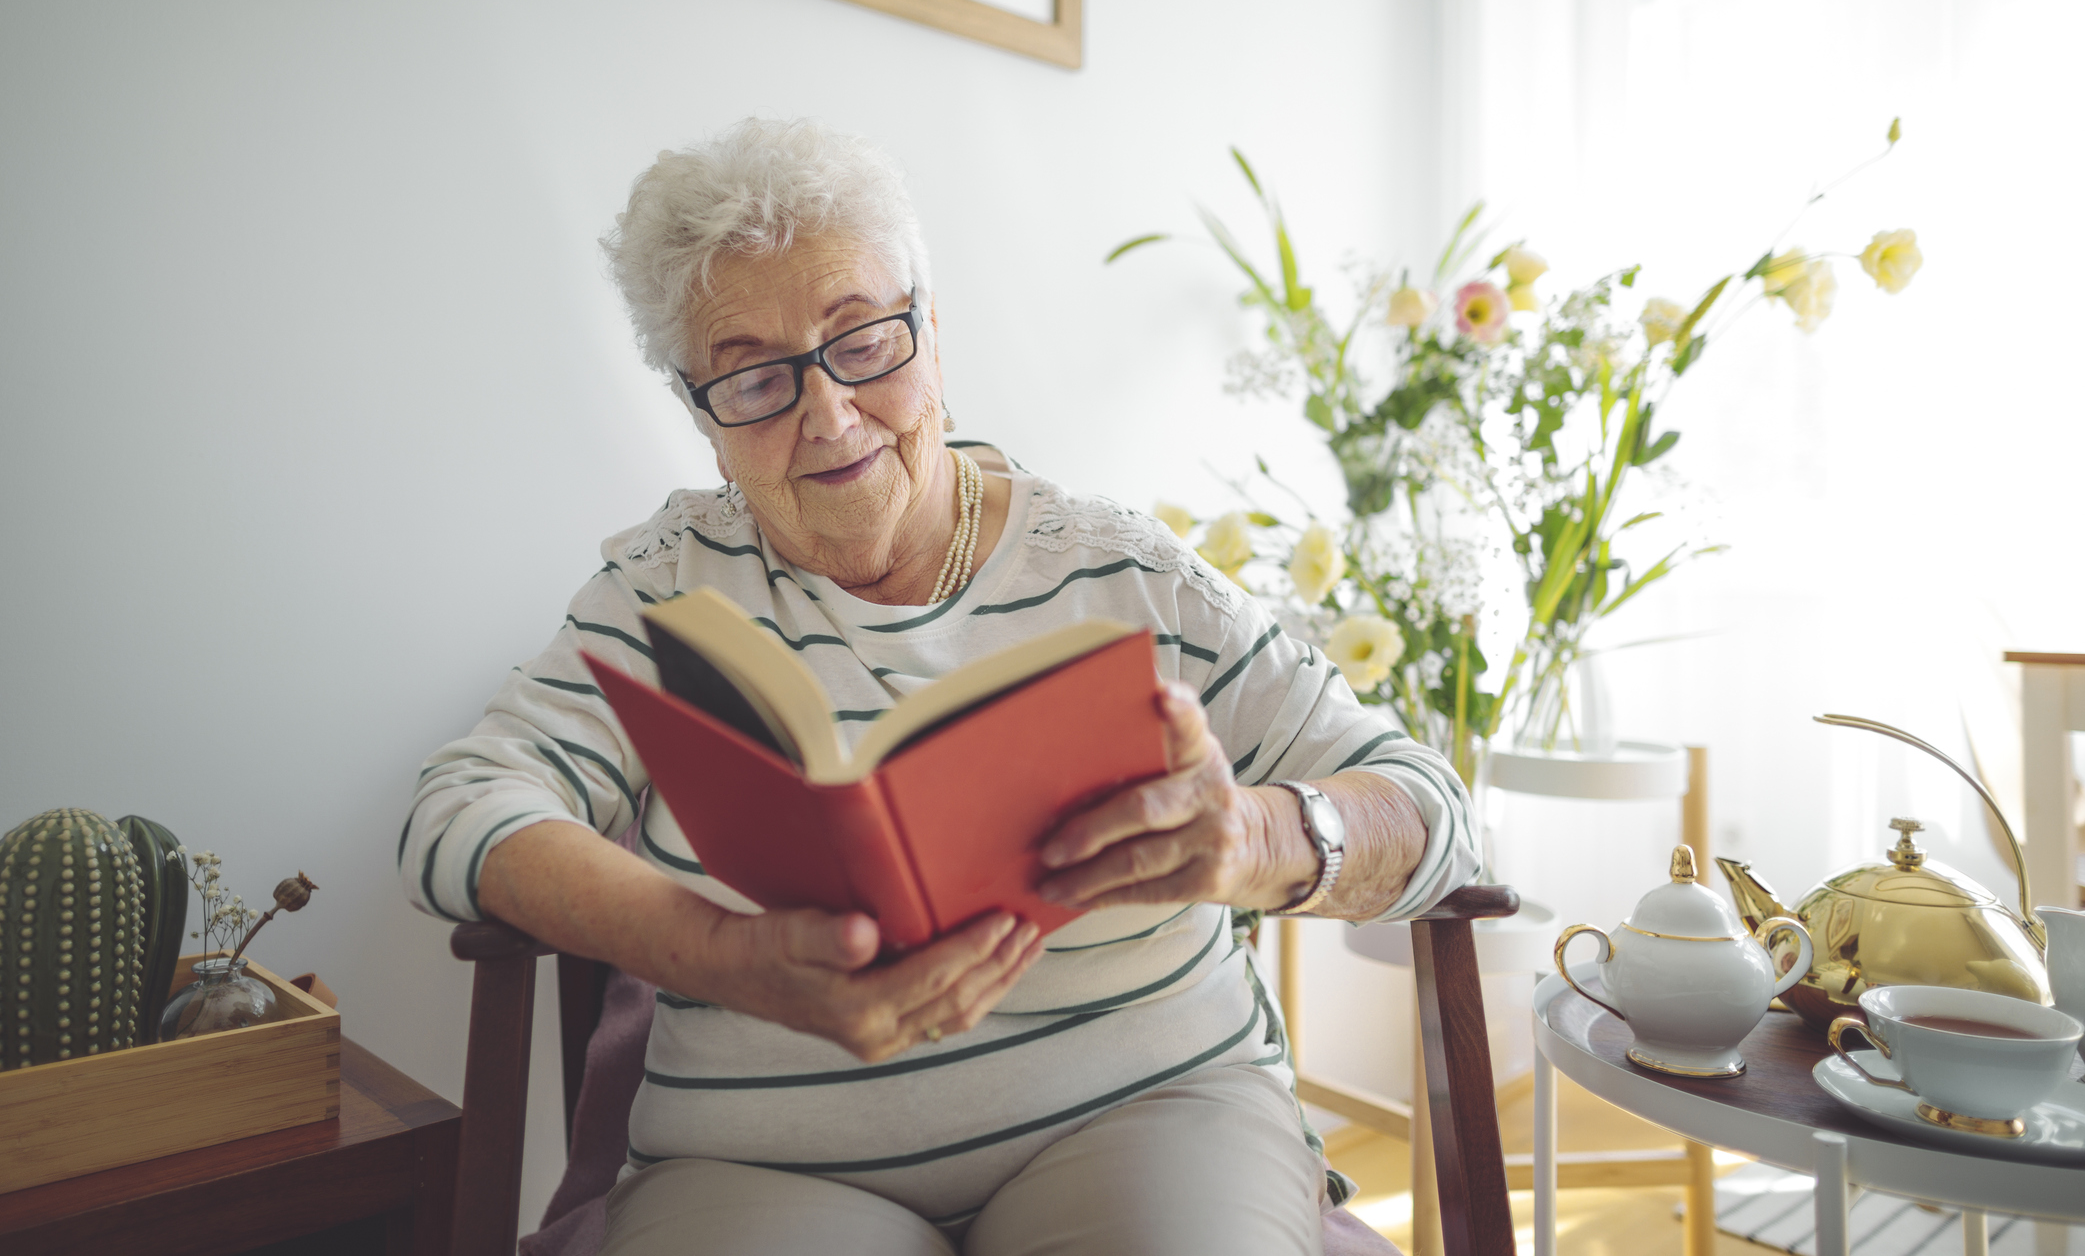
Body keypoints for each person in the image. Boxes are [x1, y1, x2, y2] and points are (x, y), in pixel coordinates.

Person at [400, 118, 1479, 1256]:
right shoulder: (661, 592)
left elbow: (1432, 809)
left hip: (1154, 1112)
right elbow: (458, 809)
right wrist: (723, 956)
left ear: (931, 335)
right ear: (701, 415)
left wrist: (1252, 837)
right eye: (757, 377)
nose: (828, 414)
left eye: (863, 342)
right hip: (763, 1165)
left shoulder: (1122, 570)